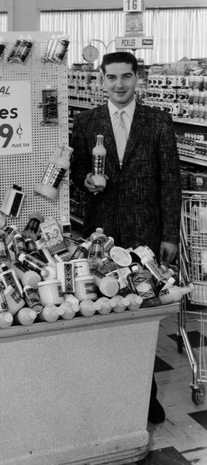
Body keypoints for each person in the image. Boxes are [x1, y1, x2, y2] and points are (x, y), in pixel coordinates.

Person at [70, 51, 182, 424]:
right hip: (102, 232)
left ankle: (144, 395)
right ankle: (108, 390)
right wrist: (86, 180)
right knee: (103, 307)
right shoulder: (86, 122)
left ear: (139, 79)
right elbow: (78, 171)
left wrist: (169, 234)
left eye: (126, 77)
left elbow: (170, 181)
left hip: (145, 231)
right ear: (101, 80)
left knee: (145, 310)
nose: (119, 85)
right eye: (112, 77)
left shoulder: (158, 121)